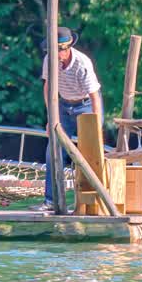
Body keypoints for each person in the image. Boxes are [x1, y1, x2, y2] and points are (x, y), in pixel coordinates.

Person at [39, 25, 103, 214]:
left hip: (85, 105)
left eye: (59, 50)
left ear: (67, 49)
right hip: (63, 105)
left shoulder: (83, 63)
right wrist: (52, 117)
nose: (56, 54)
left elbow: (94, 96)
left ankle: (94, 199)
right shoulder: (49, 61)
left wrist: (96, 124)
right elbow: (47, 88)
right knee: (53, 149)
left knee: (90, 151)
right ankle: (50, 200)